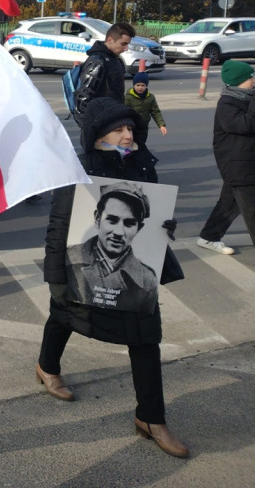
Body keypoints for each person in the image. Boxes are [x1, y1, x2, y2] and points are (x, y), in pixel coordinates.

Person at [37, 97, 188, 459]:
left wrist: (165, 226)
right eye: (118, 129)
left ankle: (151, 418)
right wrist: (57, 275)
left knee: (146, 336)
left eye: (130, 129)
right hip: (83, 267)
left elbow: (154, 209)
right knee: (64, 315)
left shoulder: (142, 160)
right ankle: (47, 366)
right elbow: (61, 223)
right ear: (99, 134)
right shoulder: (81, 167)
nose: (126, 135)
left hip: (134, 272)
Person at [67, 183, 159, 313]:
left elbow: (143, 324)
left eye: (129, 223)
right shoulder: (69, 257)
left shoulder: (147, 280)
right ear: (97, 218)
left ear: (139, 228)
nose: (118, 232)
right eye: (112, 220)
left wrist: (163, 231)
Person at [196, 59, 255, 255]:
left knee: (230, 203)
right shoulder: (228, 103)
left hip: (245, 163)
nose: (253, 80)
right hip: (238, 165)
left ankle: (209, 236)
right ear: (238, 81)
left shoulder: (245, 99)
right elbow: (245, 125)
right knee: (251, 207)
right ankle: (209, 236)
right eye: (250, 77)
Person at [74, 22, 135, 122]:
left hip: (111, 118)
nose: (126, 48)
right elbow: (84, 96)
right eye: (123, 44)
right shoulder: (98, 61)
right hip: (100, 122)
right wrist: (88, 126)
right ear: (110, 40)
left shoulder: (114, 59)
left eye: (127, 44)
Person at [124, 72, 166, 145]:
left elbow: (155, 112)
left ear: (146, 86)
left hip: (144, 125)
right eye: (138, 85)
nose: (140, 88)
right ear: (134, 85)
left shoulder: (150, 97)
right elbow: (123, 112)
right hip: (131, 126)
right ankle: (130, 155)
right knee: (130, 143)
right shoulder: (128, 97)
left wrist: (161, 125)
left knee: (141, 143)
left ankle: (138, 154)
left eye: (143, 85)